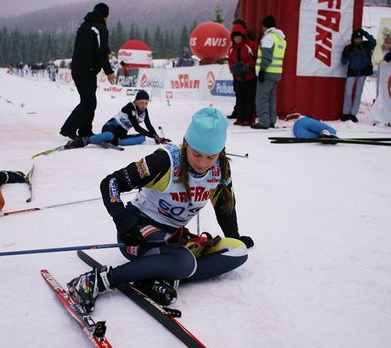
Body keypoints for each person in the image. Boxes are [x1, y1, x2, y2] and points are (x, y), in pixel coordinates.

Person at [67, 108, 254, 312]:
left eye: (210, 157)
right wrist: (123, 220)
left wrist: (234, 236)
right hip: (138, 232)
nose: (202, 163)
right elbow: (111, 182)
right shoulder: (165, 161)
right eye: (197, 154)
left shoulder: (221, 169)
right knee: (183, 262)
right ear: (186, 143)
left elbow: (224, 206)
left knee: (238, 251)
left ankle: (156, 276)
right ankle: (99, 280)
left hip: (174, 238)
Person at [59, 3, 116, 140]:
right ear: (105, 15)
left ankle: (85, 130)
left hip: (78, 69)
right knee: (88, 102)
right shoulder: (99, 28)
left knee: (89, 101)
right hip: (86, 70)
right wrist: (109, 71)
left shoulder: (83, 26)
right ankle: (69, 128)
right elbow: (101, 52)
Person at [66, 90, 169, 148]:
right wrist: (153, 136)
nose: (144, 105)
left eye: (146, 103)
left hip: (121, 133)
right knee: (109, 135)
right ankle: (84, 140)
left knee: (142, 138)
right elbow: (137, 127)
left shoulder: (144, 111)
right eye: (141, 102)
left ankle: (113, 140)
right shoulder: (130, 107)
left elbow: (149, 125)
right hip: (111, 126)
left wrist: (156, 137)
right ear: (136, 101)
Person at [251, 15, 287, 130]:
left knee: (262, 98)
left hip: (267, 72)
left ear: (265, 26)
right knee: (271, 98)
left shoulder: (268, 38)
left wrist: (261, 70)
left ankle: (263, 121)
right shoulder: (281, 39)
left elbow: (266, 57)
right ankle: (271, 121)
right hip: (277, 73)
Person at [340, 28, 376, 123]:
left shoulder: (366, 45)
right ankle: (345, 113)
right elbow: (343, 62)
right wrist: (345, 56)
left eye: (360, 38)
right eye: (356, 38)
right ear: (353, 39)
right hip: (352, 72)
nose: (358, 40)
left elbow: (373, 41)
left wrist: (365, 33)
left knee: (358, 94)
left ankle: (353, 114)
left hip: (362, 72)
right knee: (348, 93)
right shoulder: (349, 48)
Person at [227, 18, 258, 120]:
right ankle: (240, 116)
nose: (237, 39)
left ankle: (247, 117)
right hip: (238, 75)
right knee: (240, 96)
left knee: (249, 97)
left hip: (249, 75)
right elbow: (230, 59)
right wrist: (232, 68)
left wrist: (248, 65)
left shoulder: (250, 45)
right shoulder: (232, 48)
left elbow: (256, 58)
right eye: (235, 37)